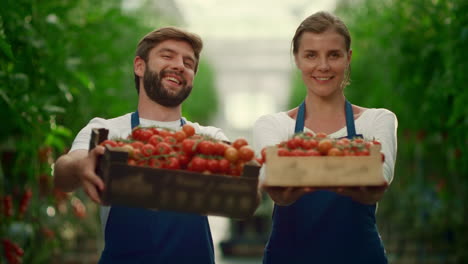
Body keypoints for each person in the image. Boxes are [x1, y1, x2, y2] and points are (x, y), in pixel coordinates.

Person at [53, 27, 228, 263]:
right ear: (139, 66)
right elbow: (63, 174)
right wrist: (81, 166)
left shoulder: (207, 138)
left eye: (188, 62)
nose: (179, 65)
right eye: (167, 56)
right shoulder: (107, 131)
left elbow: (242, 182)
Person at [253, 11, 398, 263]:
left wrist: (301, 169)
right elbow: (273, 184)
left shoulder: (378, 120)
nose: (323, 66)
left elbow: (379, 180)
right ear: (297, 59)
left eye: (334, 55)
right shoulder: (273, 125)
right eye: (311, 55)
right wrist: (351, 167)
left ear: (348, 58)